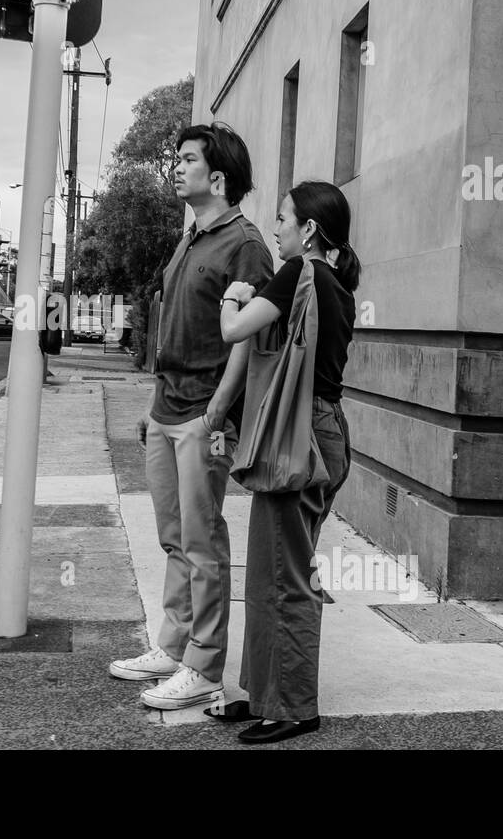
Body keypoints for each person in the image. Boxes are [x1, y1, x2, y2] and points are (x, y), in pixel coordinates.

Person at [108, 123, 274, 710]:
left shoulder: (246, 245)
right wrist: (153, 409)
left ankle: (204, 667)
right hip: (165, 410)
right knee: (175, 538)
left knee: (204, 544)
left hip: (205, 416)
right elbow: (172, 324)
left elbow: (245, 342)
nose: (175, 168)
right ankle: (174, 647)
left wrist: (217, 414)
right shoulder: (189, 238)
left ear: (218, 177)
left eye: (186, 160)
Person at [214, 180, 361, 743]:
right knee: (271, 570)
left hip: (299, 437)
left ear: (309, 231)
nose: (275, 229)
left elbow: (233, 330)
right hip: (324, 432)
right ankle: (265, 694)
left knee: (286, 577)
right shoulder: (337, 285)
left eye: (282, 219)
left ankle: (296, 706)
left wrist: (234, 293)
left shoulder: (298, 273)